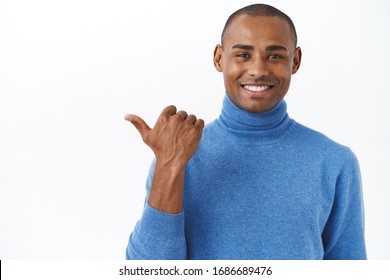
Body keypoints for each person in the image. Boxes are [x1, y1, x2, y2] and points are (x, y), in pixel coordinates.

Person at [124, 3, 367, 260]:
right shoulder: (180, 153)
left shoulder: (335, 162)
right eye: (243, 55)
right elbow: (148, 271)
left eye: (274, 56)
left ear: (295, 61)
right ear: (219, 58)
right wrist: (169, 166)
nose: (259, 70)